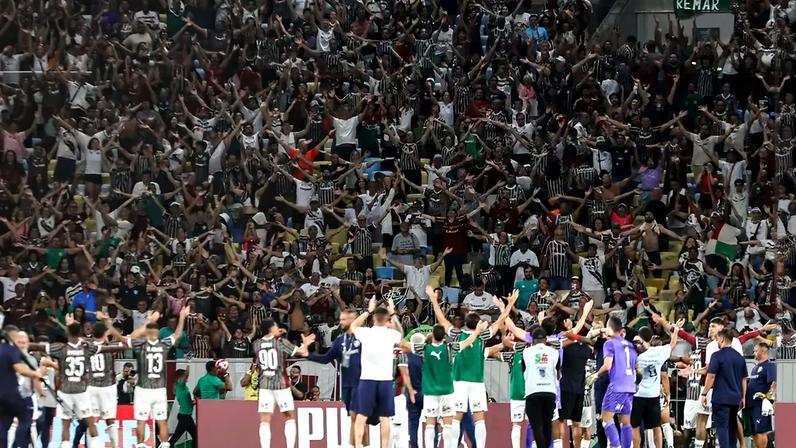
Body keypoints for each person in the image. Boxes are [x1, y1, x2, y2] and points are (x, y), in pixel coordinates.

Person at [427, 286, 518, 448]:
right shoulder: (482, 336)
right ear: (478, 325)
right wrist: (508, 305)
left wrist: (434, 300)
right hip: (477, 382)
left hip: (458, 382)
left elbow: (441, 319)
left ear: (465, 323)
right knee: (479, 419)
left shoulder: (456, 335)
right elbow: (500, 320)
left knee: (456, 417)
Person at [348, 297, 410, 448]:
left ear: (374, 318)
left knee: (362, 415)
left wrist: (368, 310)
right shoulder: (391, 335)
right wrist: (393, 312)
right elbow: (401, 332)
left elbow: (353, 325)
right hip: (385, 380)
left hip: (367, 379)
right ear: (387, 319)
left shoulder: (366, 333)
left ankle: (358, 446)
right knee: (385, 417)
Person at [414, 321, 487, 448]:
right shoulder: (450, 348)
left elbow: (404, 345)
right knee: (448, 424)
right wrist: (477, 331)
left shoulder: (424, 349)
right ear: (444, 337)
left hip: (430, 392)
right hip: (447, 391)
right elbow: (467, 342)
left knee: (430, 424)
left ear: (432, 335)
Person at [127, 307, 188, 448]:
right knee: (162, 421)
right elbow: (178, 333)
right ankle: (165, 444)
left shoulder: (141, 344)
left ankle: (141, 445)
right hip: (159, 388)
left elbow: (130, 337)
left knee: (141, 421)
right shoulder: (164, 344)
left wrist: (149, 321)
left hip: (143, 388)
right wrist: (182, 316)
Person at [307, 309, 367, 447]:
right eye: (340, 319)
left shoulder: (364, 337)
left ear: (354, 320)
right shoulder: (339, 340)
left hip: (362, 382)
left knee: (358, 415)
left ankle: (358, 445)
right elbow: (326, 358)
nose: (340, 322)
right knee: (353, 416)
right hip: (346, 384)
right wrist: (307, 354)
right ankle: (360, 444)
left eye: (344, 319)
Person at [252, 317, 313, 448]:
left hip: (264, 385)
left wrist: (278, 334)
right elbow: (302, 352)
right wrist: (305, 344)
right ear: (272, 328)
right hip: (281, 384)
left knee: (265, 419)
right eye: (276, 326)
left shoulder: (256, 344)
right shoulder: (281, 343)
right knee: (289, 416)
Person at [591, 316, 637, 448]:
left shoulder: (609, 343)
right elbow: (635, 366)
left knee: (605, 419)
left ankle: (616, 446)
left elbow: (607, 366)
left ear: (610, 328)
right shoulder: (629, 345)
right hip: (630, 387)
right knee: (625, 422)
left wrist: (596, 375)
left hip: (617, 386)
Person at [631, 325, 679, 448]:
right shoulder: (659, 351)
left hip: (638, 395)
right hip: (653, 396)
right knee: (656, 426)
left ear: (640, 340)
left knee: (635, 427)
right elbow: (673, 344)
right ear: (651, 338)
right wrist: (676, 329)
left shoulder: (638, 357)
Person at [701, 329, 748, 448]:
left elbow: (711, 376)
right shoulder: (739, 357)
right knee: (732, 427)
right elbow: (744, 379)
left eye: (717, 339)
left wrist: (704, 393)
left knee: (722, 428)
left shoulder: (717, 355)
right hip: (735, 398)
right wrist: (743, 397)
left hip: (721, 398)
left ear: (722, 339)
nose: (717, 341)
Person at [1, 325, 44, 448]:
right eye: (19, 341)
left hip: (25, 395)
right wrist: (36, 373)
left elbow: (34, 380)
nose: (21, 344)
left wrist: (40, 394)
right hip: (13, 395)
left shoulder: (30, 359)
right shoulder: (11, 352)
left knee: (13, 425)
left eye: (24, 342)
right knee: (23, 421)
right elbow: (21, 370)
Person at [522, 327, 560, 448]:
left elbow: (523, 370)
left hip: (533, 391)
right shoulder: (554, 352)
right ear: (545, 339)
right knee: (547, 423)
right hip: (549, 392)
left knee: (536, 425)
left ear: (532, 340)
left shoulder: (526, 352)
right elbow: (558, 374)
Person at [744, 342, 776, 448]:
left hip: (760, 405)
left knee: (761, 431)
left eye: (755, 350)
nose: (753, 353)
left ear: (762, 351)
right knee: (754, 432)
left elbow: (774, 383)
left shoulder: (769, 365)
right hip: (750, 404)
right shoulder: (755, 367)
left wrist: (768, 398)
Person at [169, 369, 198, 447]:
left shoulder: (184, 387)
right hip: (185, 417)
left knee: (176, 437)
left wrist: (193, 402)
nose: (187, 377)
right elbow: (186, 374)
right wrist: (189, 362)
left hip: (185, 416)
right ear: (181, 377)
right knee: (196, 436)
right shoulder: (180, 386)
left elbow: (186, 401)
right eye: (186, 376)